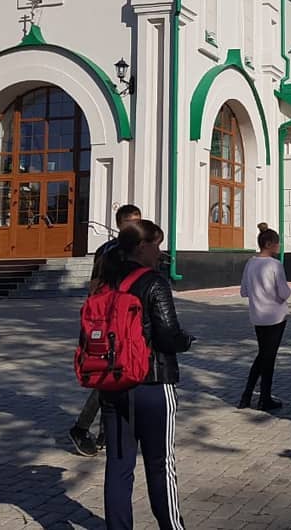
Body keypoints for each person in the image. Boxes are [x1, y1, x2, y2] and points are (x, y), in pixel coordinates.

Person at [97, 220, 194, 530]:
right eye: (156, 245)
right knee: (161, 464)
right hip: (152, 382)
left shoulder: (106, 281)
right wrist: (186, 340)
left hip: (112, 383)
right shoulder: (154, 282)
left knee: (118, 465)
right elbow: (167, 334)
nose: (159, 251)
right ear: (142, 247)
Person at [69, 204, 143, 457]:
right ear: (120, 224)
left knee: (117, 372)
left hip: (126, 317)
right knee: (110, 372)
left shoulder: (134, 248)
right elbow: (96, 283)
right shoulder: (111, 251)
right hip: (110, 318)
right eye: (132, 222)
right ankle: (83, 428)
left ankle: (103, 432)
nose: (136, 227)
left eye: (139, 222)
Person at [239, 228, 291, 411]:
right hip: (275, 316)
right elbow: (283, 292)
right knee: (267, 357)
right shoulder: (275, 265)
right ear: (269, 244)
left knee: (264, 355)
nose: (279, 246)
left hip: (257, 315)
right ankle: (263, 398)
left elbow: (244, 291)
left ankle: (248, 396)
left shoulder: (250, 263)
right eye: (277, 242)